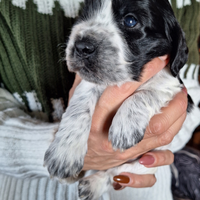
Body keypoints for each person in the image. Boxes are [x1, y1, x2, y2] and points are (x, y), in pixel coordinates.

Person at [0, 0, 199, 200]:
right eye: (87, 15)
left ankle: (105, 179)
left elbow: (185, 98)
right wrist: (58, 143)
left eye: (131, 21)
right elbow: (84, 94)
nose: (85, 40)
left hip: (141, 188)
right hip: (26, 189)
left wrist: (153, 127)